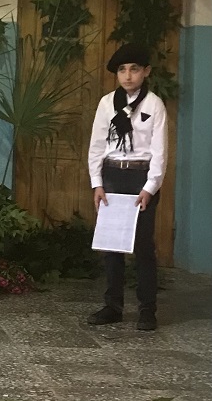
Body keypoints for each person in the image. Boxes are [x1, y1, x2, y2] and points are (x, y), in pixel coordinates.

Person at [87, 43, 168, 331]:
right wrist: (97, 183)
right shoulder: (107, 103)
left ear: (146, 71)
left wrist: (150, 187)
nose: (128, 75)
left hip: (140, 177)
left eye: (134, 69)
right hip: (112, 175)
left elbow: (159, 152)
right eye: (122, 70)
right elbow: (97, 146)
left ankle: (147, 309)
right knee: (112, 246)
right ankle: (113, 306)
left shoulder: (154, 105)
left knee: (143, 246)